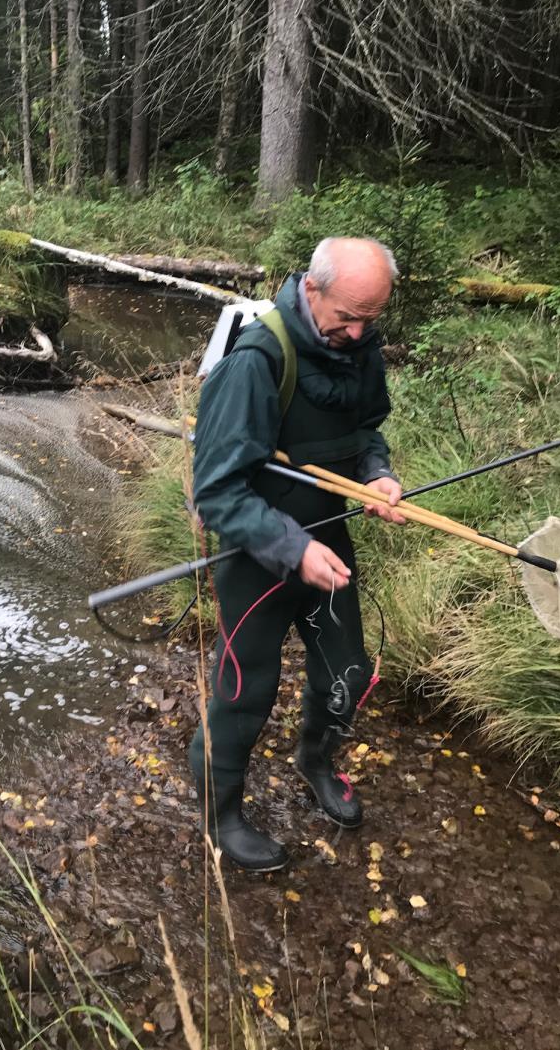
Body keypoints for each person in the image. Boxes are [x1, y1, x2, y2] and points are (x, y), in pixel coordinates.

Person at [188, 236, 404, 872]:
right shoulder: (257, 360)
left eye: (372, 319)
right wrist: (293, 547)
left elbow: (366, 429)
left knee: (349, 674)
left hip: (329, 543)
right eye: (347, 317)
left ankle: (315, 761)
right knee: (243, 693)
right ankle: (220, 814)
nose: (359, 331)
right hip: (258, 558)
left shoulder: (361, 348)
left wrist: (377, 474)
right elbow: (218, 490)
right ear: (312, 289)